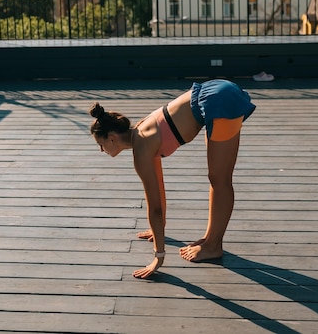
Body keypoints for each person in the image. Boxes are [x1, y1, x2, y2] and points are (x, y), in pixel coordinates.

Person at [89, 78, 256, 279]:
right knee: (217, 178)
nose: (101, 150)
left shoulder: (141, 151)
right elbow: (159, 189)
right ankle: (211, 239)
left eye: (101, 145)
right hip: (214, 93)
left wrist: (158, 257)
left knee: (220, 179)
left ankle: (213, 245)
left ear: (112, 138)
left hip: (218, 100)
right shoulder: (141, 131)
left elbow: (155, 208)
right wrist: (157, 228)